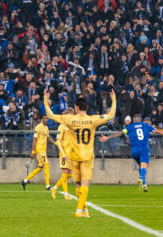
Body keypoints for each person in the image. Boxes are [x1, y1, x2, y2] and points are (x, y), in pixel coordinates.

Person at [44, 90, 117, 218]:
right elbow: (111, 115)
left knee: (78, 184)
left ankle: (84, 210)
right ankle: (79, 210)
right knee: (85, 183)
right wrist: (114, 99)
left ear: (76, 108)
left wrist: (45, 100)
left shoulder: (70, 119)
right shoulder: (93, 120)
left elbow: (50, 115)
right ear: (86, 107)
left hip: (74, 156)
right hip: (87, 156)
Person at [99, 114, 163, 192]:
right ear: (141, 120)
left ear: (133, 121)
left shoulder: (129, 127)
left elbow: (119, 133)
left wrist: (107, 137)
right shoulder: (146, 125)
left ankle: (144, 185)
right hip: (144, 149)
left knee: (141, 166)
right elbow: (159, 132)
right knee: (144, 166)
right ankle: (141, 178)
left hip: (134, 151)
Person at [21, 114, 55, 190]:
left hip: (44, 150)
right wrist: (33, 152)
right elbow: (34, 140)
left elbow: (48, 138)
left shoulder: (46, 128)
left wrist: (54, 142)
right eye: (44, 118)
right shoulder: (38, 127)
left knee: (40, 168)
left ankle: (25, 180)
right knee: (47, 164)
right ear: (41, 119)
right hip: (39, 150)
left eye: (47, 118)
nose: (46, 119)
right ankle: (47, 185)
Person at [51, 108, 75, 200]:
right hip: (64, 153)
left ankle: (54, 188)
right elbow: (58, 140)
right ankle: (66, 194)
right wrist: (63, 153)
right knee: (65, 172)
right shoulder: (62, 126)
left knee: (70, 174)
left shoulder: (71, 127)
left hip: (71, 154)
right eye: (70, 116)